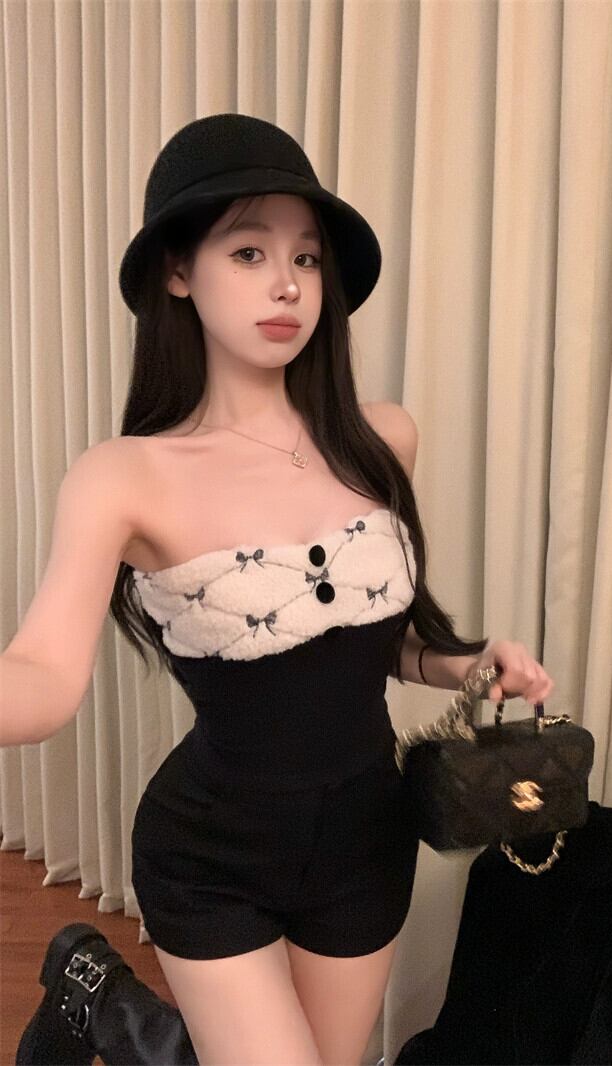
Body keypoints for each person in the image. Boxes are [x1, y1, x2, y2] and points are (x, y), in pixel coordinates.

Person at [5, 113, 555, 1065]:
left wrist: (474, 663)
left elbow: (378, 640)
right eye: (249, 251)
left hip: (366, 845)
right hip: (211, 853)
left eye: (305, 257)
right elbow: (44, 676)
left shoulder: (382, 439)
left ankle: (99, 999)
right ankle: (104, 999)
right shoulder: (124, 476)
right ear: (179, 271)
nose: (288, 284)